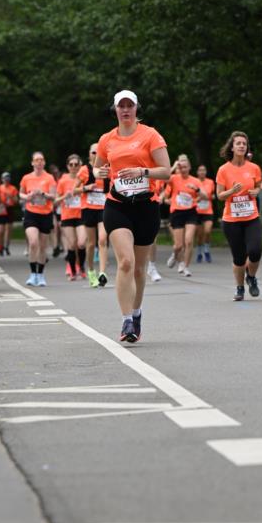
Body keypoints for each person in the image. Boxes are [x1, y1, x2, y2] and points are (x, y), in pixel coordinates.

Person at [94, 89, 171, 342]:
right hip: (117, 205)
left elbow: (166, 171)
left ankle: (136, 313)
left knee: (139, 268)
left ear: (137, 108)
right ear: (115, 109)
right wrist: (101, 174)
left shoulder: (150, 135)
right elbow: (97, 170)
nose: (125, 110)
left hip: (146, 206)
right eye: (121, 106)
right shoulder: (107, 139)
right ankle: (126, 321)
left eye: (130, 105)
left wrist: (142, 172)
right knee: (125, 262)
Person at [216, 131, 262, 301]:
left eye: (244, 144)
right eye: (238, 143)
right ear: (232, 147)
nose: (242, 146)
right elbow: (219, 195)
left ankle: (251, 277)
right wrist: (232, 191)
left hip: (251, 217)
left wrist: (256, 191)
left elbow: (259, 186)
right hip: (231, 220)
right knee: (239, 257)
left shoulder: (254, 168)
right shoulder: (223, 170)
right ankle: (239, 288)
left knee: (255, 251)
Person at [163, 155, 205, 277]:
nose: (183, 169)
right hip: (177, 213)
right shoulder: (174, 178)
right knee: (178, 245)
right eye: (181, 167)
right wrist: (174, 167)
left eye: (185, 167)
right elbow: (163, 178)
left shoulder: (195, 180)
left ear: (190, 167)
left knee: (189, 240)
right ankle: (175, 254)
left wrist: (196, 190)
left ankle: (185, 266)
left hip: (191, 212)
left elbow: (205, 196)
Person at [19, 151, 56, 286]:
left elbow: (54, 196)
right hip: (31, 213)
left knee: (42, 246)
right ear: (32, 163)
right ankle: (32, 274)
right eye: (36, 160)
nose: (39, 162)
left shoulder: (50, 178)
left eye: (41, 159)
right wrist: (27, 197)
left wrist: (43, 194)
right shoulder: (26, 178)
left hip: (45, 214)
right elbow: (21, 194)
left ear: (44, 162)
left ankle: (40, 275)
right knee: (33, 242)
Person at [78, 144, 109, 287]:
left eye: (99, 151)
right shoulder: (85, 170)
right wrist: (85, 188)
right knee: (90, 244)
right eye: (93, 152)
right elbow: (74, 190)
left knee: (102, 239)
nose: (96, 154)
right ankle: (91, 271)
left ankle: (102, 272)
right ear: (89, 154)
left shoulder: (107, 168)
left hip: (103, 208)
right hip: (88, 208)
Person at [55, 155, 88, 280]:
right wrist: (65, 197)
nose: (74, 167)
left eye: (76, 164)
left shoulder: (84, 179)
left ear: (80, 165)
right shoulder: (63, 181)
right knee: (72, 244)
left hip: (81, 214)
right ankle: (73, 270)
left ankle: (82, 267)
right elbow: (55, 201)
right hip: (67, 216)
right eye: (71, 165)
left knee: (81, 242)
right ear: (67, 166)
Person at [195, 164, 216, 263]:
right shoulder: (194, 182)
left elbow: (213, 195)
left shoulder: (210, 182)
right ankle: (199, 252)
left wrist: (208, 197)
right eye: (200, 170)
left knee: (207, 231)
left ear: (206, 172)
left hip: (208, 211)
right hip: (197, 211)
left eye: (204, 170)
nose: (202, 172)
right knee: (199, 235)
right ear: (197, 172)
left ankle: (206, 251)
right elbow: (191, 196)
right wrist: (197, 199)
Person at [0, 171, 18, 255]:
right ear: (2, 179)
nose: (6, 180)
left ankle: (6, 246)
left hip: (9, 208)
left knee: (8, 229)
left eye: (7, 178)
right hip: (2, 208)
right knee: (0, 230)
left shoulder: (13, 188)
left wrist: (11, 197)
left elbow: (16, 200)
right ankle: (0, 247)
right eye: (4, 178)